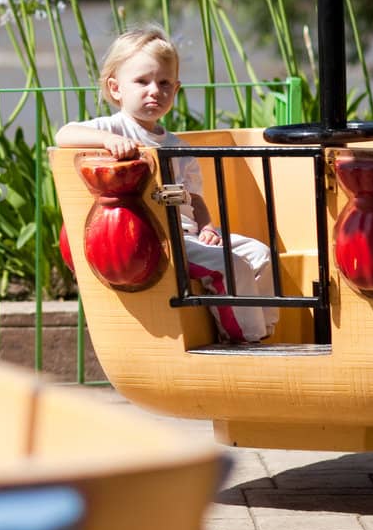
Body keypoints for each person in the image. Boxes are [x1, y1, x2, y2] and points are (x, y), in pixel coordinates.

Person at [56, 27, 278, 343]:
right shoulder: (114, 127)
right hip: (160, 239)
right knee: (231, 266)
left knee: (259, 253)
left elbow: (195, 199)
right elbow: (64, 135)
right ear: (116, 88)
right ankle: (247, 339)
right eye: (142, 82)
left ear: (176, 89)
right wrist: (108, 141)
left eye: (164, 83)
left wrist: (208, 226)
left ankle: (268, 329)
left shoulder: (178, 145)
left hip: (190, 236)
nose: (154, 91)